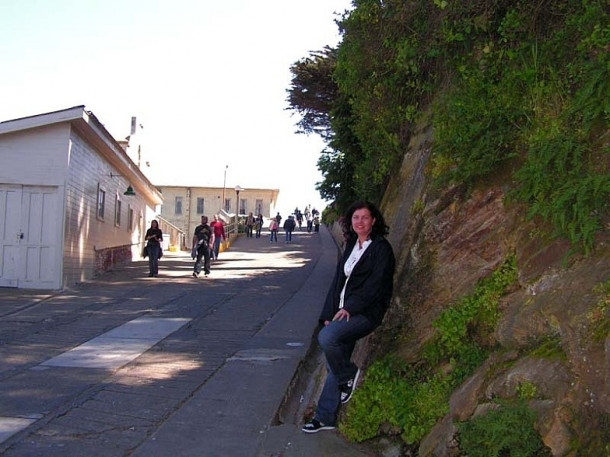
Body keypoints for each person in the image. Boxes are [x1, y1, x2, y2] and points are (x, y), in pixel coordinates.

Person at [302, 201, 395, 433]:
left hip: (365, 313)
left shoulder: (381, 249)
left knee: (327, 339)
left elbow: (376, 286)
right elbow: (338, 283)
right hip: (342, 313)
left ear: (374, 221)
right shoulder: (352, 245)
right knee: (335, 359)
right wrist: (328, 313)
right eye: (356, 218)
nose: (360, 222)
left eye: (365, 218)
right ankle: (325, 418)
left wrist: (351, 308)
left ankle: (349, 374)